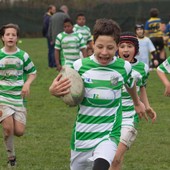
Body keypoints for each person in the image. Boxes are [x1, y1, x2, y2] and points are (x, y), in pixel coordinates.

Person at [49, 19, 146, 170]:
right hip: (82, 134)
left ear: (117, 47)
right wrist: (53, 91)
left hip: (108, 133)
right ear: (92, 44)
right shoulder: (78, 66)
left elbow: (131, 84)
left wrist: (137, 102)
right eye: (100, 47)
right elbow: (60, 87)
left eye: (110, 47)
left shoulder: (124, 67)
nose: (104, 52)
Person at [109, 32, 157, 170]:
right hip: (109, 117)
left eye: (129, 46)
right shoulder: (111, 65)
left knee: (115, 157)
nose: (125, 49)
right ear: (117, 48)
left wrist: (147, 106)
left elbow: (142, 88)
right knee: (116, 161)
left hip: (130, 117)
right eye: (122, 46)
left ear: (135, 49)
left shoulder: (142, 68)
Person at [0, 23, 36, 167]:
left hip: (18, 98)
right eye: (7, 34)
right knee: (8, 128)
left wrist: (27, 84)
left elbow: (33, 72)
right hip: (2, 96)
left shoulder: (23, 55)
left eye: (13, 35)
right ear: (2, 37)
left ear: (17, 38)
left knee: (19, 131)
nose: (10, 37)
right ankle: (11, 158)